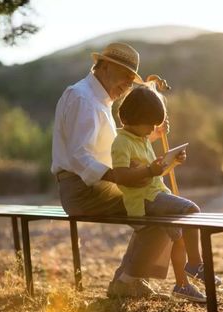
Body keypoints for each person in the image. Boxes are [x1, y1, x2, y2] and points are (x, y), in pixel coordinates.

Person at [51, 42, 174, 298]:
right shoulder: (82, 98)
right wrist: (116, 176)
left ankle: (129, 279)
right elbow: (79, 156)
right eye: (126, 78)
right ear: (105, 66)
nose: (127, 87)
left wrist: (146, 133)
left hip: (91, 186)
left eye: (132, 82)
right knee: (160, 207)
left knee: (159, 204)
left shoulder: (97, 98)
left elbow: (110, 147)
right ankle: (127, 281)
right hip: (83, 191)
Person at [110, 85, 209, 302]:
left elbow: (154, 174)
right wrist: (148, 170)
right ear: (133, 118)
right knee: (191, 209)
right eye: (150, 124)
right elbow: (120, 176)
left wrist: (171, 162)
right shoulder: (121, 143)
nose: (152, 129)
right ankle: (194, 264)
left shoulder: (142, 139)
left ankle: (182, 284)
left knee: (179, 236)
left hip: (155, 194)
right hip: (143, 200)